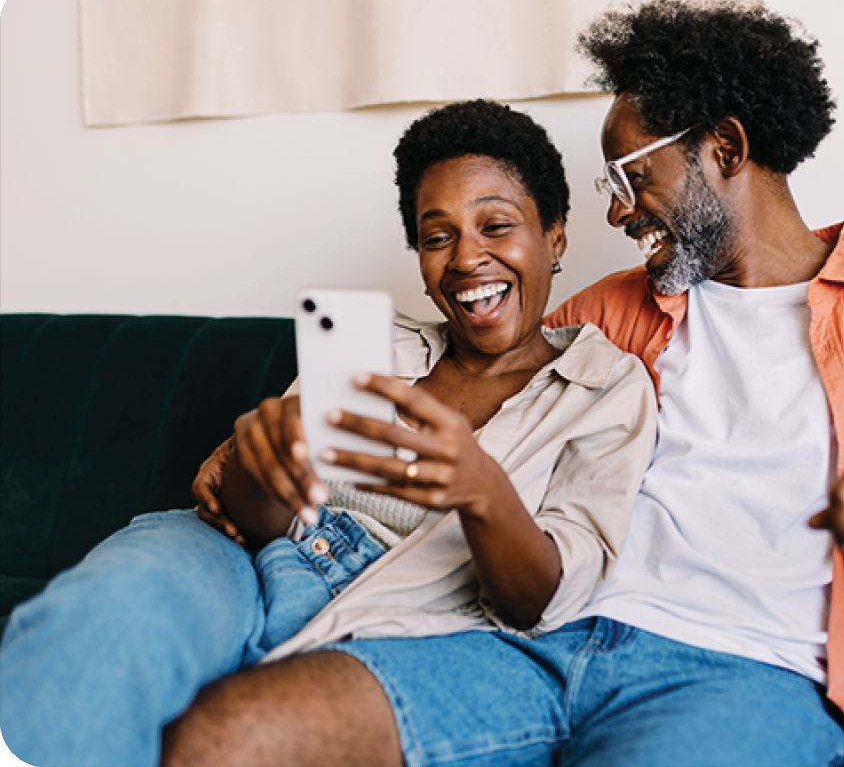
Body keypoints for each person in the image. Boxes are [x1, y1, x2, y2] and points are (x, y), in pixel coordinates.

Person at [164, 0, 844, 767]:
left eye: (629, 174)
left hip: (748, 672)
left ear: (724, 146)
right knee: (225, 733)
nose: (612, 209)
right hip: (521, 639)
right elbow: (454, 376)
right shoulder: (603, 314)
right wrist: (270, 439)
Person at [0, 100, 657, 767]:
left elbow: (541, 600)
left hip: (428, 623)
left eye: (495, 225)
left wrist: (481, 490)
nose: (465, 258)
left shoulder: (605, 387)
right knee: (90, 633)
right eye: (437, 236)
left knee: (228, 737)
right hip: (249, 567)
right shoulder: (371, 346)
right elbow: (258, 522)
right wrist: (260, 464)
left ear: (554, 235)